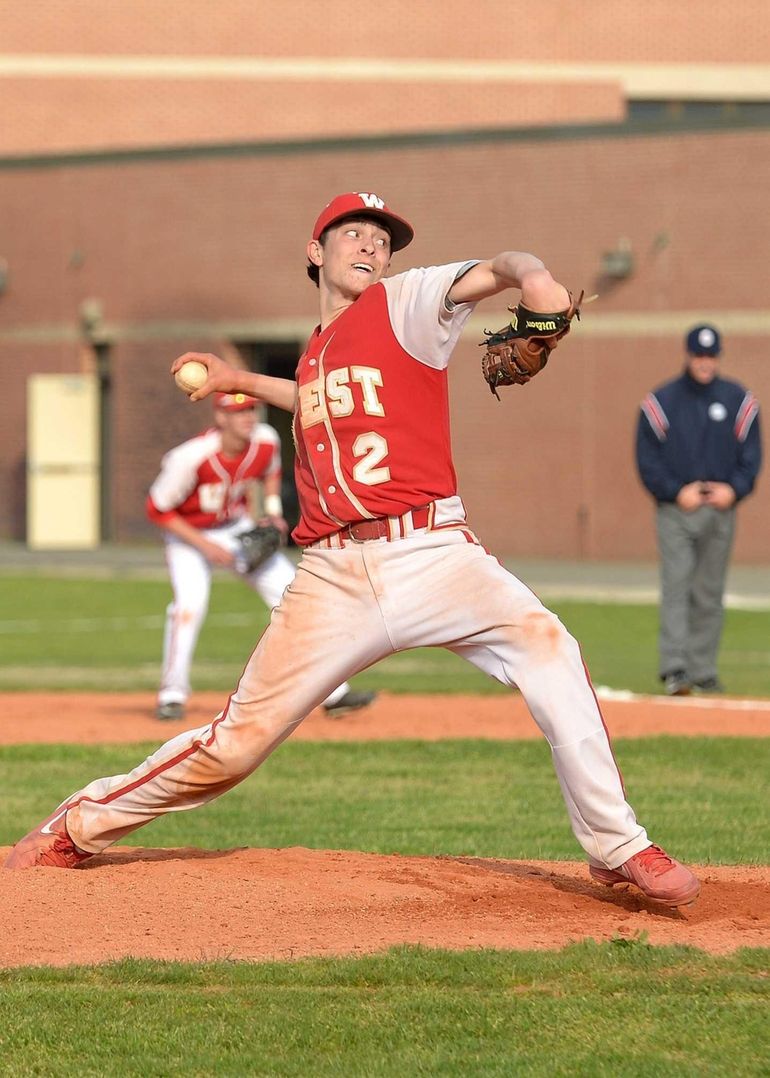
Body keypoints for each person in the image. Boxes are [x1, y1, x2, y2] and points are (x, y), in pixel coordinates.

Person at [5, 191, 700, 908]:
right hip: (332, 577)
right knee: (234, 747)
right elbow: (313, 392)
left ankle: (618, 848)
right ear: (316, 252)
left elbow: (498, 267)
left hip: (434, 553)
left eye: (381, 239)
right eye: (353, 233)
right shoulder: (318, 351)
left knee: (549, 648)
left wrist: (536, 277)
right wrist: (238, 381)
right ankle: (78, 825)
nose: (371, 247)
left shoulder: (404, 302)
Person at [147, 390, 375, 721]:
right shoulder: (191, 457)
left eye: (251, 409)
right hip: (188, 535)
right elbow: (157, 509)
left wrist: (271, 512)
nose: (248, 417)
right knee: (188, 607)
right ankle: (172, 695)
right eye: (238, 412)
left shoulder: (265, 440)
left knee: (294, 597)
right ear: (220, 417)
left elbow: (270, 472)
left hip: (235, 527)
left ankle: (333, 693)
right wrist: (205, 545)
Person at [636, 324, 762, 696]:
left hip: (721, 509)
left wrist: (734, 490)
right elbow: (648, 460)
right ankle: (675, 669)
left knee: (710, 591)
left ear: (717, 357)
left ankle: (703, 669)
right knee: (677, 586)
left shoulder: (738, 399)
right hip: (678, 510)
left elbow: (751, 457)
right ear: (688, 355)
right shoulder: (662, 402)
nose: (705, 362)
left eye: (711, 356)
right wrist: (677, 491)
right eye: (698, 355)